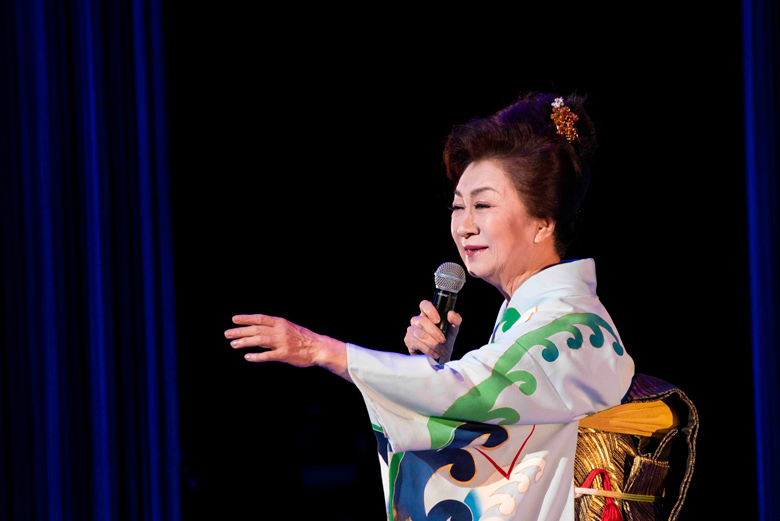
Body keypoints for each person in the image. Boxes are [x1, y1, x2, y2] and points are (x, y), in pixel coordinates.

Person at [225, 92, 635, 520]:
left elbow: (476, 389)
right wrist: (437, 368)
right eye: (458, 206)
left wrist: (322, 350)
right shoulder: (542, 314)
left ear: (542, 223)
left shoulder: (570, 327)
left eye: (483, 205)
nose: (465, 226)